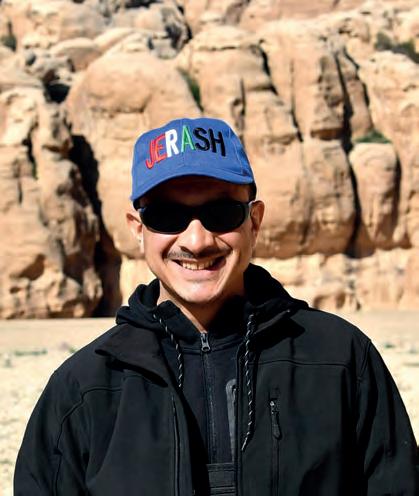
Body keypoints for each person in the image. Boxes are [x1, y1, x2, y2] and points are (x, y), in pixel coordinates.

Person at [14, 117, 418, 495]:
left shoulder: (341, 360)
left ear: (254, 221)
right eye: (167, 216)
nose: (197, 241)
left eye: (220, 213)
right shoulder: (84, 388)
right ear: (138, 230)